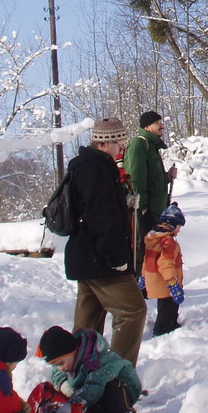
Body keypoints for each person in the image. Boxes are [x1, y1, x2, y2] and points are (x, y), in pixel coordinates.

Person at [64, 117, 147, 366]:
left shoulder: (89, 165)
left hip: (85, 258)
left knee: (87, 325)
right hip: (101, 260)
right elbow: (102, 218)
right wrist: (117, 258)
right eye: (120, 141)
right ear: (107, 142)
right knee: (133, 311)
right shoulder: (96, 168)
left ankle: (79, 375)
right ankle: (118, 380)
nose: (123, 147)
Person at [37, 325, 141, 413]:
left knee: (110, 387)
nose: (60, 368)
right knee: (94, 401)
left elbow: (95, 384)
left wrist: (74, 404)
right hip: (95, 392)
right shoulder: (69, 359)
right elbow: (57, 373)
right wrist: (64, 386)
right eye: (56, 365)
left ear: (73, 351)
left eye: (60, 363)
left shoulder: (97, 360)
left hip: (124, 389)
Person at [123, 111, 176, 241]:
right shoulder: (139, 144)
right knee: (145, 255)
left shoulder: (152, 146)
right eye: (157, 123)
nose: (161, 126)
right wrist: (143, 208)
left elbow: (153, 179)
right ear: (146, 127)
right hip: (147, 214)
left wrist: (167, 177)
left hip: (157, 212)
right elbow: (135, 178)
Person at [141, 202, 186, 336]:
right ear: (171, 225)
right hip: (165, 283)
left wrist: (143, 276)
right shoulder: (169, 243)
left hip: (154, 280)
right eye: (179, 226)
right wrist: (173, 284)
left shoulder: (153, 239)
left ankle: (169, 324)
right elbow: (165, 265)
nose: (179, 230)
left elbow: (147, 259)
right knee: (169, 307)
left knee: (165, 306)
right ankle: (163, 329)